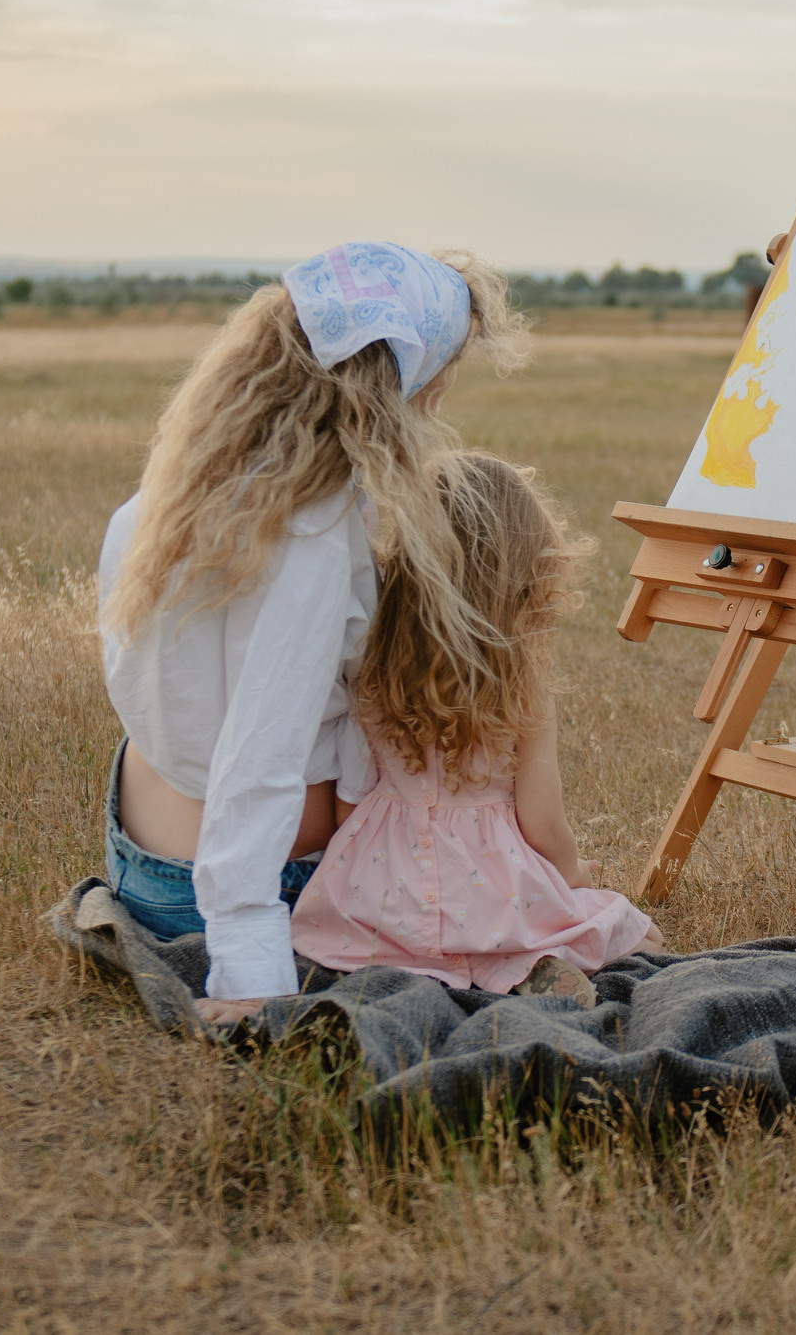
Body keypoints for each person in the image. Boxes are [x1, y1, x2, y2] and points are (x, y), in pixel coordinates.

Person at [96, 243, 529, 1023]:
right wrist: (248, 964)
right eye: (442, 370)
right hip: (242, 891)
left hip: (138, 859)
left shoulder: (170, 494)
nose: (440, 395)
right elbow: (258, 759)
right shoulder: (311, 536)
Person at [290, 451, 662, 1000]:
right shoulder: (520, 681)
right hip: (494, 887)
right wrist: (573, 874)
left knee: (385, 940)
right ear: (524, 572)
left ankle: (425, 963)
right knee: (629, 931)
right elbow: (542, 819)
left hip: (380, 887)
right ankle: (522, 966)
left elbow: (352, 794)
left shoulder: (373, 668)